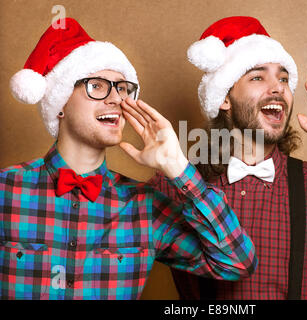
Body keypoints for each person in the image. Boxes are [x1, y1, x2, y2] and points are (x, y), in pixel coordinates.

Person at [148, 16, 307, 299]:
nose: (278, 88)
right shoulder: (173, 185)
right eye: (258, 76)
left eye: (283, 78)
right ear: (224, 99)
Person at [0, 17, 257, 300]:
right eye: (97, 86)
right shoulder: (5, 190)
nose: (116, 99)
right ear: (59, 104)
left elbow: (236, 263)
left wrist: (178, 168)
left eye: (122, 88)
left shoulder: (144, 206)